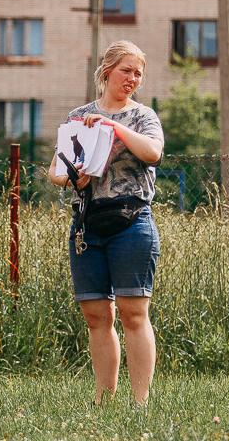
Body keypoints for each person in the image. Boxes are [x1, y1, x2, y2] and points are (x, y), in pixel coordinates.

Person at [48, 40, 164, 405]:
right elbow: (55, 170)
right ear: (107, 71)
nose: (133, 79)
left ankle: (140, 402)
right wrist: (73, 177)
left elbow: (153, 153)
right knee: (97, 316)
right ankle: (104, 401)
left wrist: (113, 129)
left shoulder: (143, 116)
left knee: (133, 313)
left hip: (133, 222)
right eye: (127, 70)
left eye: (138, 74)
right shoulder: (77, 116)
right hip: (87, 224)